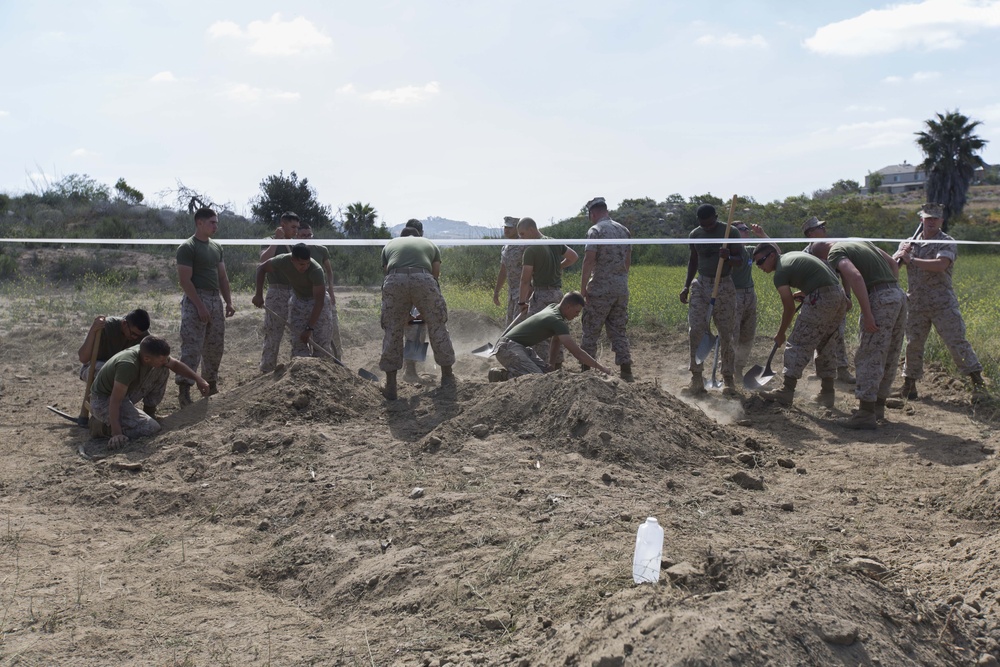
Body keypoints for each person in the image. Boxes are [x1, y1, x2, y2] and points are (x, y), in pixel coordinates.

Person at [892, 203, 987, 402]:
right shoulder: (910, 243)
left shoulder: (947, 242)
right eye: (928, 218)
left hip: (943, 304)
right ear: (922, 220)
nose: (932, 222)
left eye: (935, 218)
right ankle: (909, 385)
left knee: (956, 342)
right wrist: (900, 254)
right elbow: (894, 268)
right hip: (916, 304)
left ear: (941, 221)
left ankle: (978, 384)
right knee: (913, 345)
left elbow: (941, 265)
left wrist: (913, 260)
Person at [811, 240, 905, 429]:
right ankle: (877, 406)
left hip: (880, 300)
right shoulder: (861, 242)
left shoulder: (835, 252)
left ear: (824, 257)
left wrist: (868, 312)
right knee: (889, 354)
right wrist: (891, 290)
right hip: (898, 296)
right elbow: (893, 264)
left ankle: (865, 413)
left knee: (869, 354)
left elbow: (855, 276)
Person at [752, 244, 849, 408]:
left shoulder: (781, 273)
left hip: (822, 297)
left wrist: (781, 333)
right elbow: (821, 276)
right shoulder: (792, 257)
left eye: (761, 261)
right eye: (756, 264)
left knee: (797, 342)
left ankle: (786, 390)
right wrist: (807, 292)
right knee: (826, 344)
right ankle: (827, 393)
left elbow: (789, 308)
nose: (760, 266)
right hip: (838, 297)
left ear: (772, 256)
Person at [89, 335, 210, 450]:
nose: (165, 361)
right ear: (147, 358)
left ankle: (149, 413)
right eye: (162, 359)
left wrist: (198, 379)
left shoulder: (148, 354)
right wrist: (116, 433)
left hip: (125, 393)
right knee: (150, 428)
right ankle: (102, 427)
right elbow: (115, 400)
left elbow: (175, 364)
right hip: (103, 401)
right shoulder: (128, 365)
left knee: (163, 369)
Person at [379, 226, 456, 400]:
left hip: (395, 279)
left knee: (393, 329)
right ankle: (447, 377)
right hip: (423, 277)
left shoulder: (390, 245)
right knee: (437, 326)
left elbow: (388, 273)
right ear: (419, 235)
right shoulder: (429, 244)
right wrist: (428, 310)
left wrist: (403, 312)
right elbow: (435, 274)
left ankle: (391, 385)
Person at [679, 204, 742, 396]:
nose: (707, 228)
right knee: (696, 329)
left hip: (723, 284)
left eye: (710, 224)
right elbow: (693, 260)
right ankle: (696, 377)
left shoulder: (730, 231)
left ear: (716, 217)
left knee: (727, 333)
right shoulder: (695, 234)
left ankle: (728, 378)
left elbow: (741, 260)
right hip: (702, 284)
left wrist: (729, 256)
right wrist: (686, 285)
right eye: (703, 224)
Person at [175, 207, 236, 406]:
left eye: (216, 222)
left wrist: (228, 301)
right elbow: (185, 281)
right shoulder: (188, 247)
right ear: (199, 223)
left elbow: (222, 277)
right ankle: (185, 390)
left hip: (214, 298)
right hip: (196, 298)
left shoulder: (217, 247)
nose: (215, 226)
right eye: (212, 222)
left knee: (215, 345)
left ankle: (211, 384)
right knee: (192, 346)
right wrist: (200, 306)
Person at [491, 292, 611, 379]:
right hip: (507, 348)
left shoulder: (553, 307)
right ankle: (501, 376)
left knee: (546, 376)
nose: (577, 315)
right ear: (568, 307)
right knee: (536, 379)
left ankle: (514, 373)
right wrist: (601, 368)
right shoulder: (557, 321)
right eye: (576, 311)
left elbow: (556, 340)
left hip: (520, 348)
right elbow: (577, 352)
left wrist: (552, 364)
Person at [579, 196, 633, 381]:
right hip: (620, 288)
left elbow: (589, 260)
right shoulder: (623, 230)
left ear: (593, 213)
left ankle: (586, 373)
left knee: (591, 330)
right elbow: (627, 262)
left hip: (600, 288)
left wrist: (583, 289)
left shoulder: (595, 231)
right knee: (618, 330)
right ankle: (626, 372)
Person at [253, 243, 335, 360]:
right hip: (298, 301)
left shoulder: (316, 270)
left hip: (317, 303)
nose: (305, 267)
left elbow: (319, 303)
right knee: (298, 344)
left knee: (322, 345)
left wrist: (309, 328)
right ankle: (301, 374)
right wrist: (258, 294)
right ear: (293, 260)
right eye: (301, 264)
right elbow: (261, 268)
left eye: (307, 263)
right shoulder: (282, 260)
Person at [517, 217, 579, 370]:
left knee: (538, 334)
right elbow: (573, 257)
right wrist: (559, 267)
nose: (521, 238)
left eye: (523, 234)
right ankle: (557, 366)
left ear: (532, 230)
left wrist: (521, 302)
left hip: (542, 295)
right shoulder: (553, 242)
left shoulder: (531, 250)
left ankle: (543, 368)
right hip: (558, 295)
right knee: (557, 333)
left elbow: (525, 280)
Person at [802, 216, 857, 384]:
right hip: (816, 300)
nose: (825, 230)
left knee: (838, 334)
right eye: (820, 228)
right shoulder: (806, 254)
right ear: (811, 234)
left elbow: (845, 274)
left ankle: (842, 370)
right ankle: (821, 371)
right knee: (818, 335)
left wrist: (847, 295)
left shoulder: (834, 250)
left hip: (836, 298)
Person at [258, 212, 300, 373]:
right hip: (277, 292)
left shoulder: (297, 244)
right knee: (273, 334)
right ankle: (266, 370)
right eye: (292, 227)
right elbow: (263, 260)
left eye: (297, 227)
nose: (295, 231)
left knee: (297, 333)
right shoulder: (269, 241)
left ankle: (297, 369)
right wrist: (277, 240)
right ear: (283, 224)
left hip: (296, 292)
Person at [297, 221, 343, 359]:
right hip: (303, 296)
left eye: (309, 235)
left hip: (323, 293)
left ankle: (337, 358)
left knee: (333, 327)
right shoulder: (294, 252)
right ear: (298, 236)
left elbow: (329, 271)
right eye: (303, 235)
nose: (307, 238)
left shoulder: (321, 249)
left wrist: (331, 290)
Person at [76, 308, 150, 380]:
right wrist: (93, 330)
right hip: (95, 367)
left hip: (123, 369)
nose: (135, 337)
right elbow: (83, 358)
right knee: (111, 373)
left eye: (138, 335)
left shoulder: (143, 336)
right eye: (133, 333)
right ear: (124, 324)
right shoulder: (105, 327)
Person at [730, 222, 757, 380]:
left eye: (747, 229)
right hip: (734, 294)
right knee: (732, 335)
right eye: (743, 230)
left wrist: (762, 235)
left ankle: (739, 369)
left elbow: (775, 251)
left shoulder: (750, 250)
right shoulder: (729, 252)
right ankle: (727, 369)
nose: (747, 232)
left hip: (750, 295)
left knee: (748, 334)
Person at [493, 216, 525, 327]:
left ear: (517, 228)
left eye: (509, 228)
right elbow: (503, 271)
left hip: (523, 292)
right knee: (510, 325)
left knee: (519, 325)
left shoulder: (524, 245)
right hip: (512, 293)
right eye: (505, 227)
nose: (506, 230)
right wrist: (496, 291)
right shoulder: (505, 247)